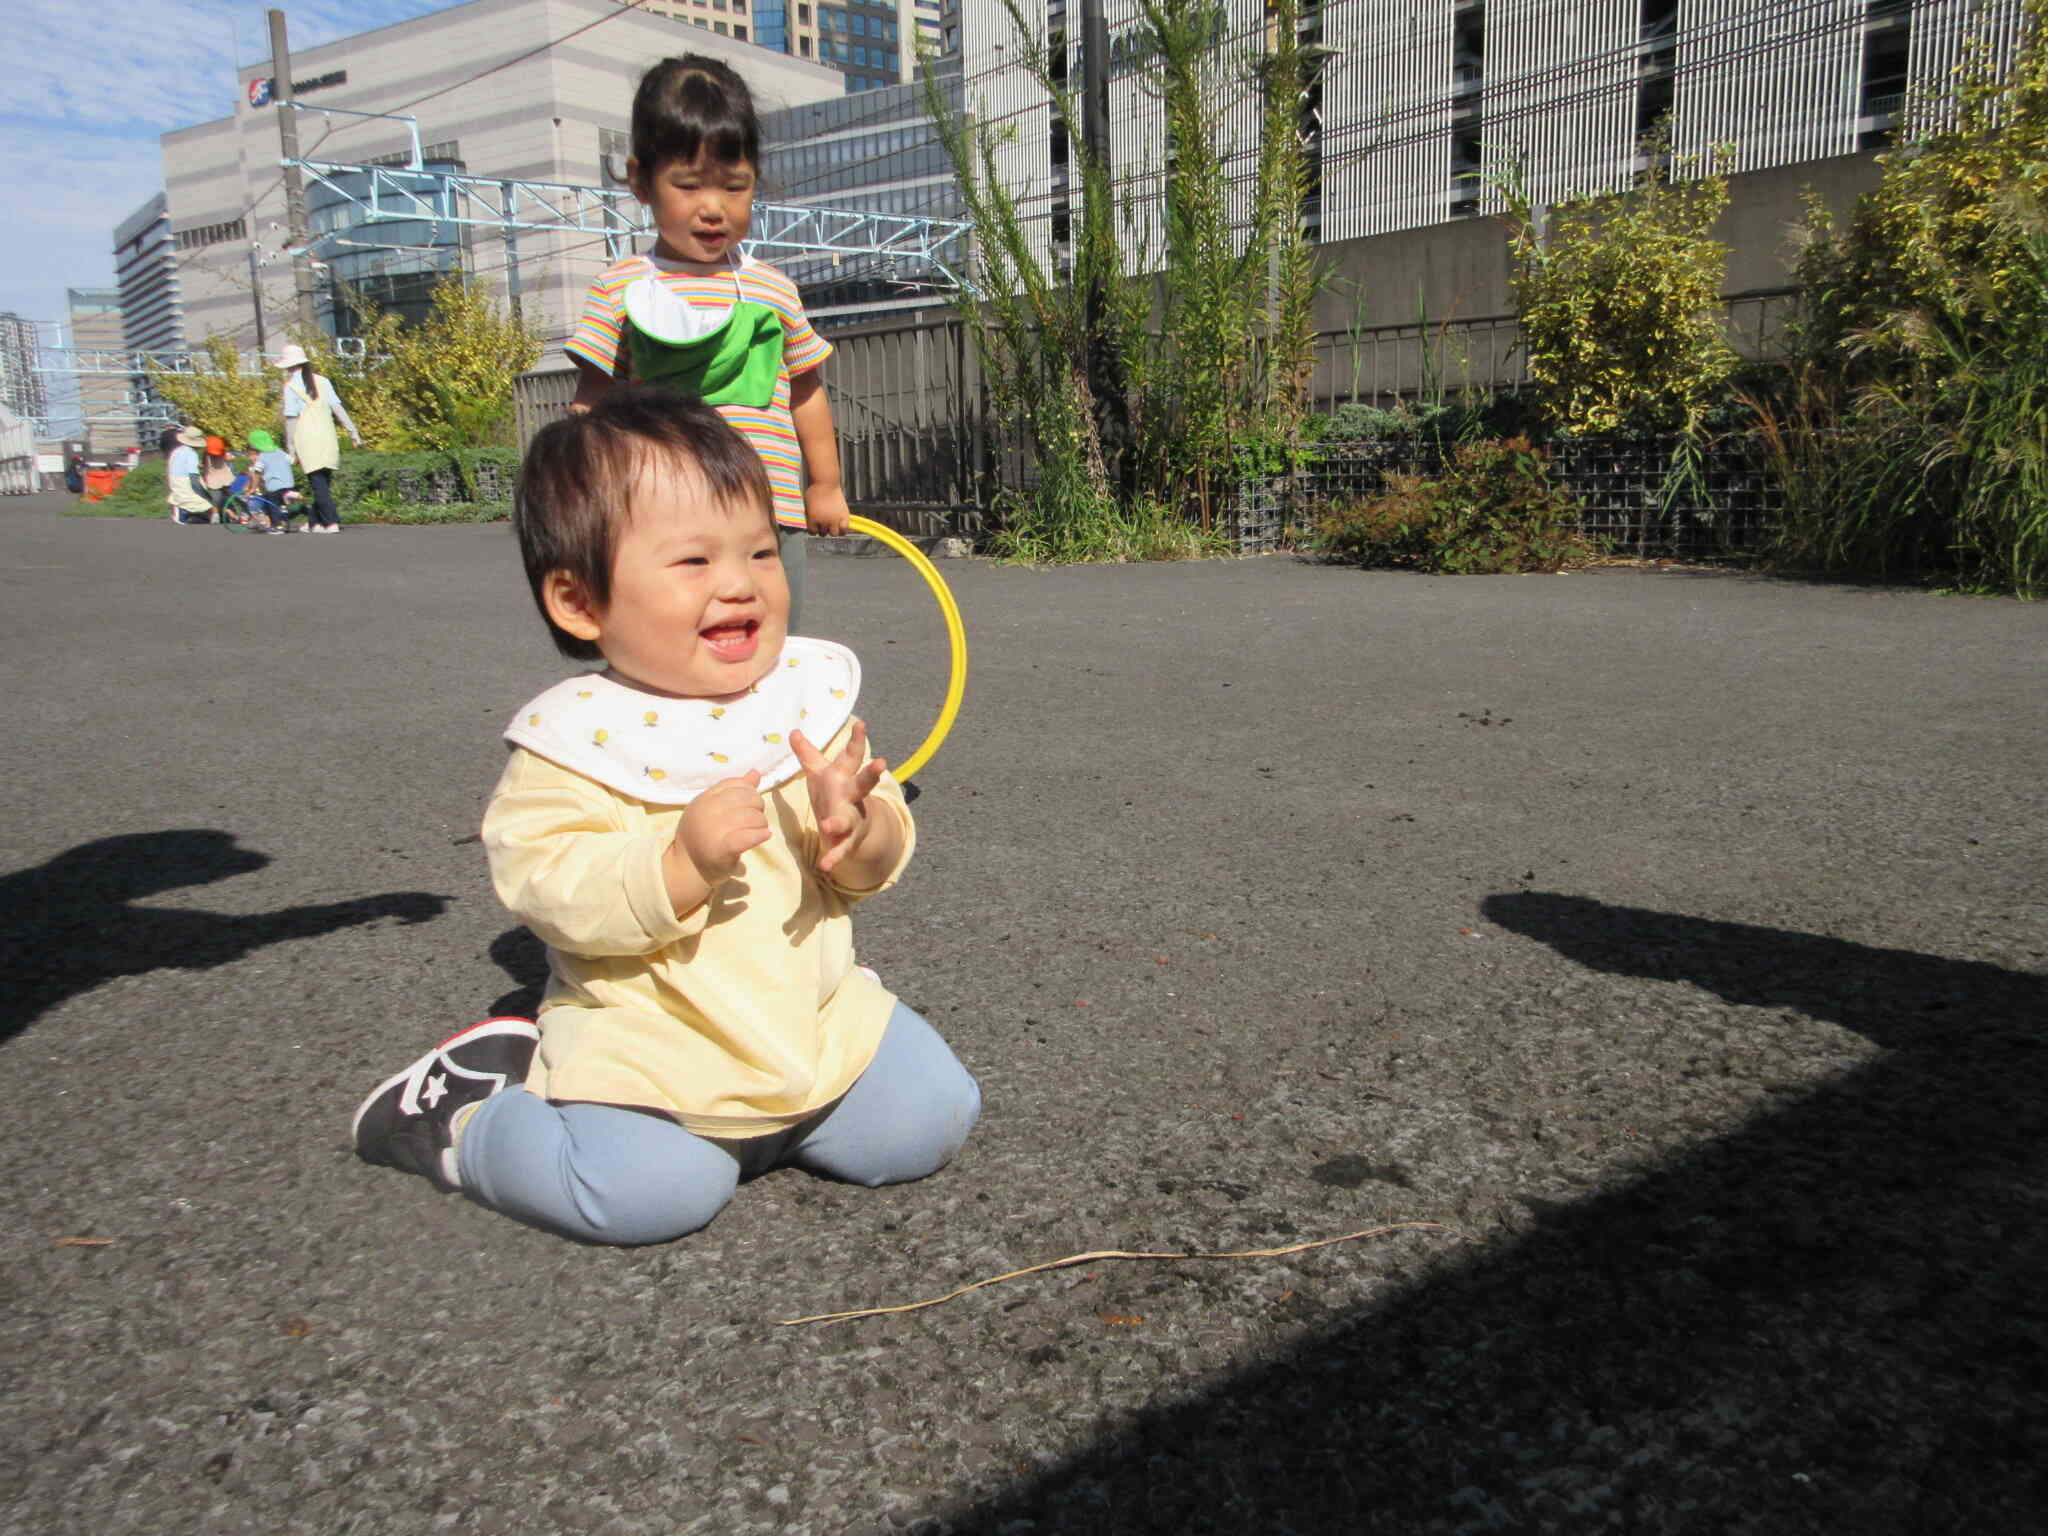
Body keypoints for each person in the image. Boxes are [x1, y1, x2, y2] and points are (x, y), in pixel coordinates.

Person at [349, 389, 979, 1244]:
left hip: (815, 1020)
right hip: (654, 1047)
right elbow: (547, 883)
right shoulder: (575, 743)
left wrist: (860, 832)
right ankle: (465, 1121)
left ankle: (781, 1124)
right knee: (645, 1198)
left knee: (931, 1119)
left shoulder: (798, 704)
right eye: (692, 562)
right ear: (580, 602)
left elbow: (868, 871)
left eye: (761, 552)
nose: (739, 583)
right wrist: (675, 864)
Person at [564, 54, 848, 633]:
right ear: (642, 181)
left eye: (734, 187)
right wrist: (585, 493)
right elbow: (592, 401)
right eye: (688, 186)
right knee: (674, 647)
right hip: (664, 514)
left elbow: (805, 391)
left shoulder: (772, 288)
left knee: (772, 643)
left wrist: (825, 485)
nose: (713, 208)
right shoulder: (622, 288)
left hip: (769, 518)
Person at [275, 343, 361, 533]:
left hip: (307, 440)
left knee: (318, 483)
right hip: (328, 437)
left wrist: (291, 449)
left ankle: (331, 521)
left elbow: (291, 420)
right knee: (322, 483)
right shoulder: (323, 381)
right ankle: (314, 522)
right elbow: (338, 408)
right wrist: (353, 431)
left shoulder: (290, 387)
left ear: (289, 366)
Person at [244, 428, 300, 532]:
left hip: (274, 486)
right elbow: (293, 462)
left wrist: (253, 488)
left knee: (272, 505)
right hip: (288, 484)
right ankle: (285, 509)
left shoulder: (262, 457)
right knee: (281, 504)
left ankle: (277, 526)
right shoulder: (280, 452)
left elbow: (257, 473)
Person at [164, 427, 215, 524]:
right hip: (185, 482)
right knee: (204, 502)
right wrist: (203, 492)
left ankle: (185, 512)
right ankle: (182, 512)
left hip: (174, 481)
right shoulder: (191, 454)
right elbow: (193, 477)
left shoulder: (176, 451)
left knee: (188, 500)